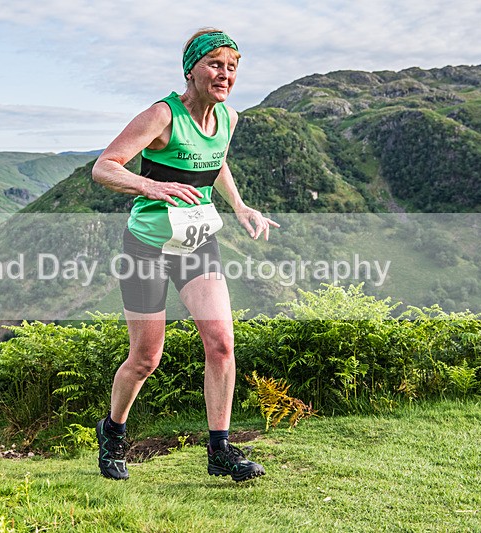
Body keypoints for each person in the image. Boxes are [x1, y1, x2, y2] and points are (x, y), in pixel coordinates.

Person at [91, 28, 279, 482]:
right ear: (191, 69)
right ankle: (113, 432)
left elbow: (215, 163)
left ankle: (219, 450)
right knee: (145, 359)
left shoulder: (227, 120)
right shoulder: (162, 115)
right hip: (147, 247)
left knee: (221, 344)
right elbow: (103, 167)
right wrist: (149, 185)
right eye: (216, 64)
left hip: (195, 243)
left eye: (232, 67)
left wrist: (239, 205)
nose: (225, 74)